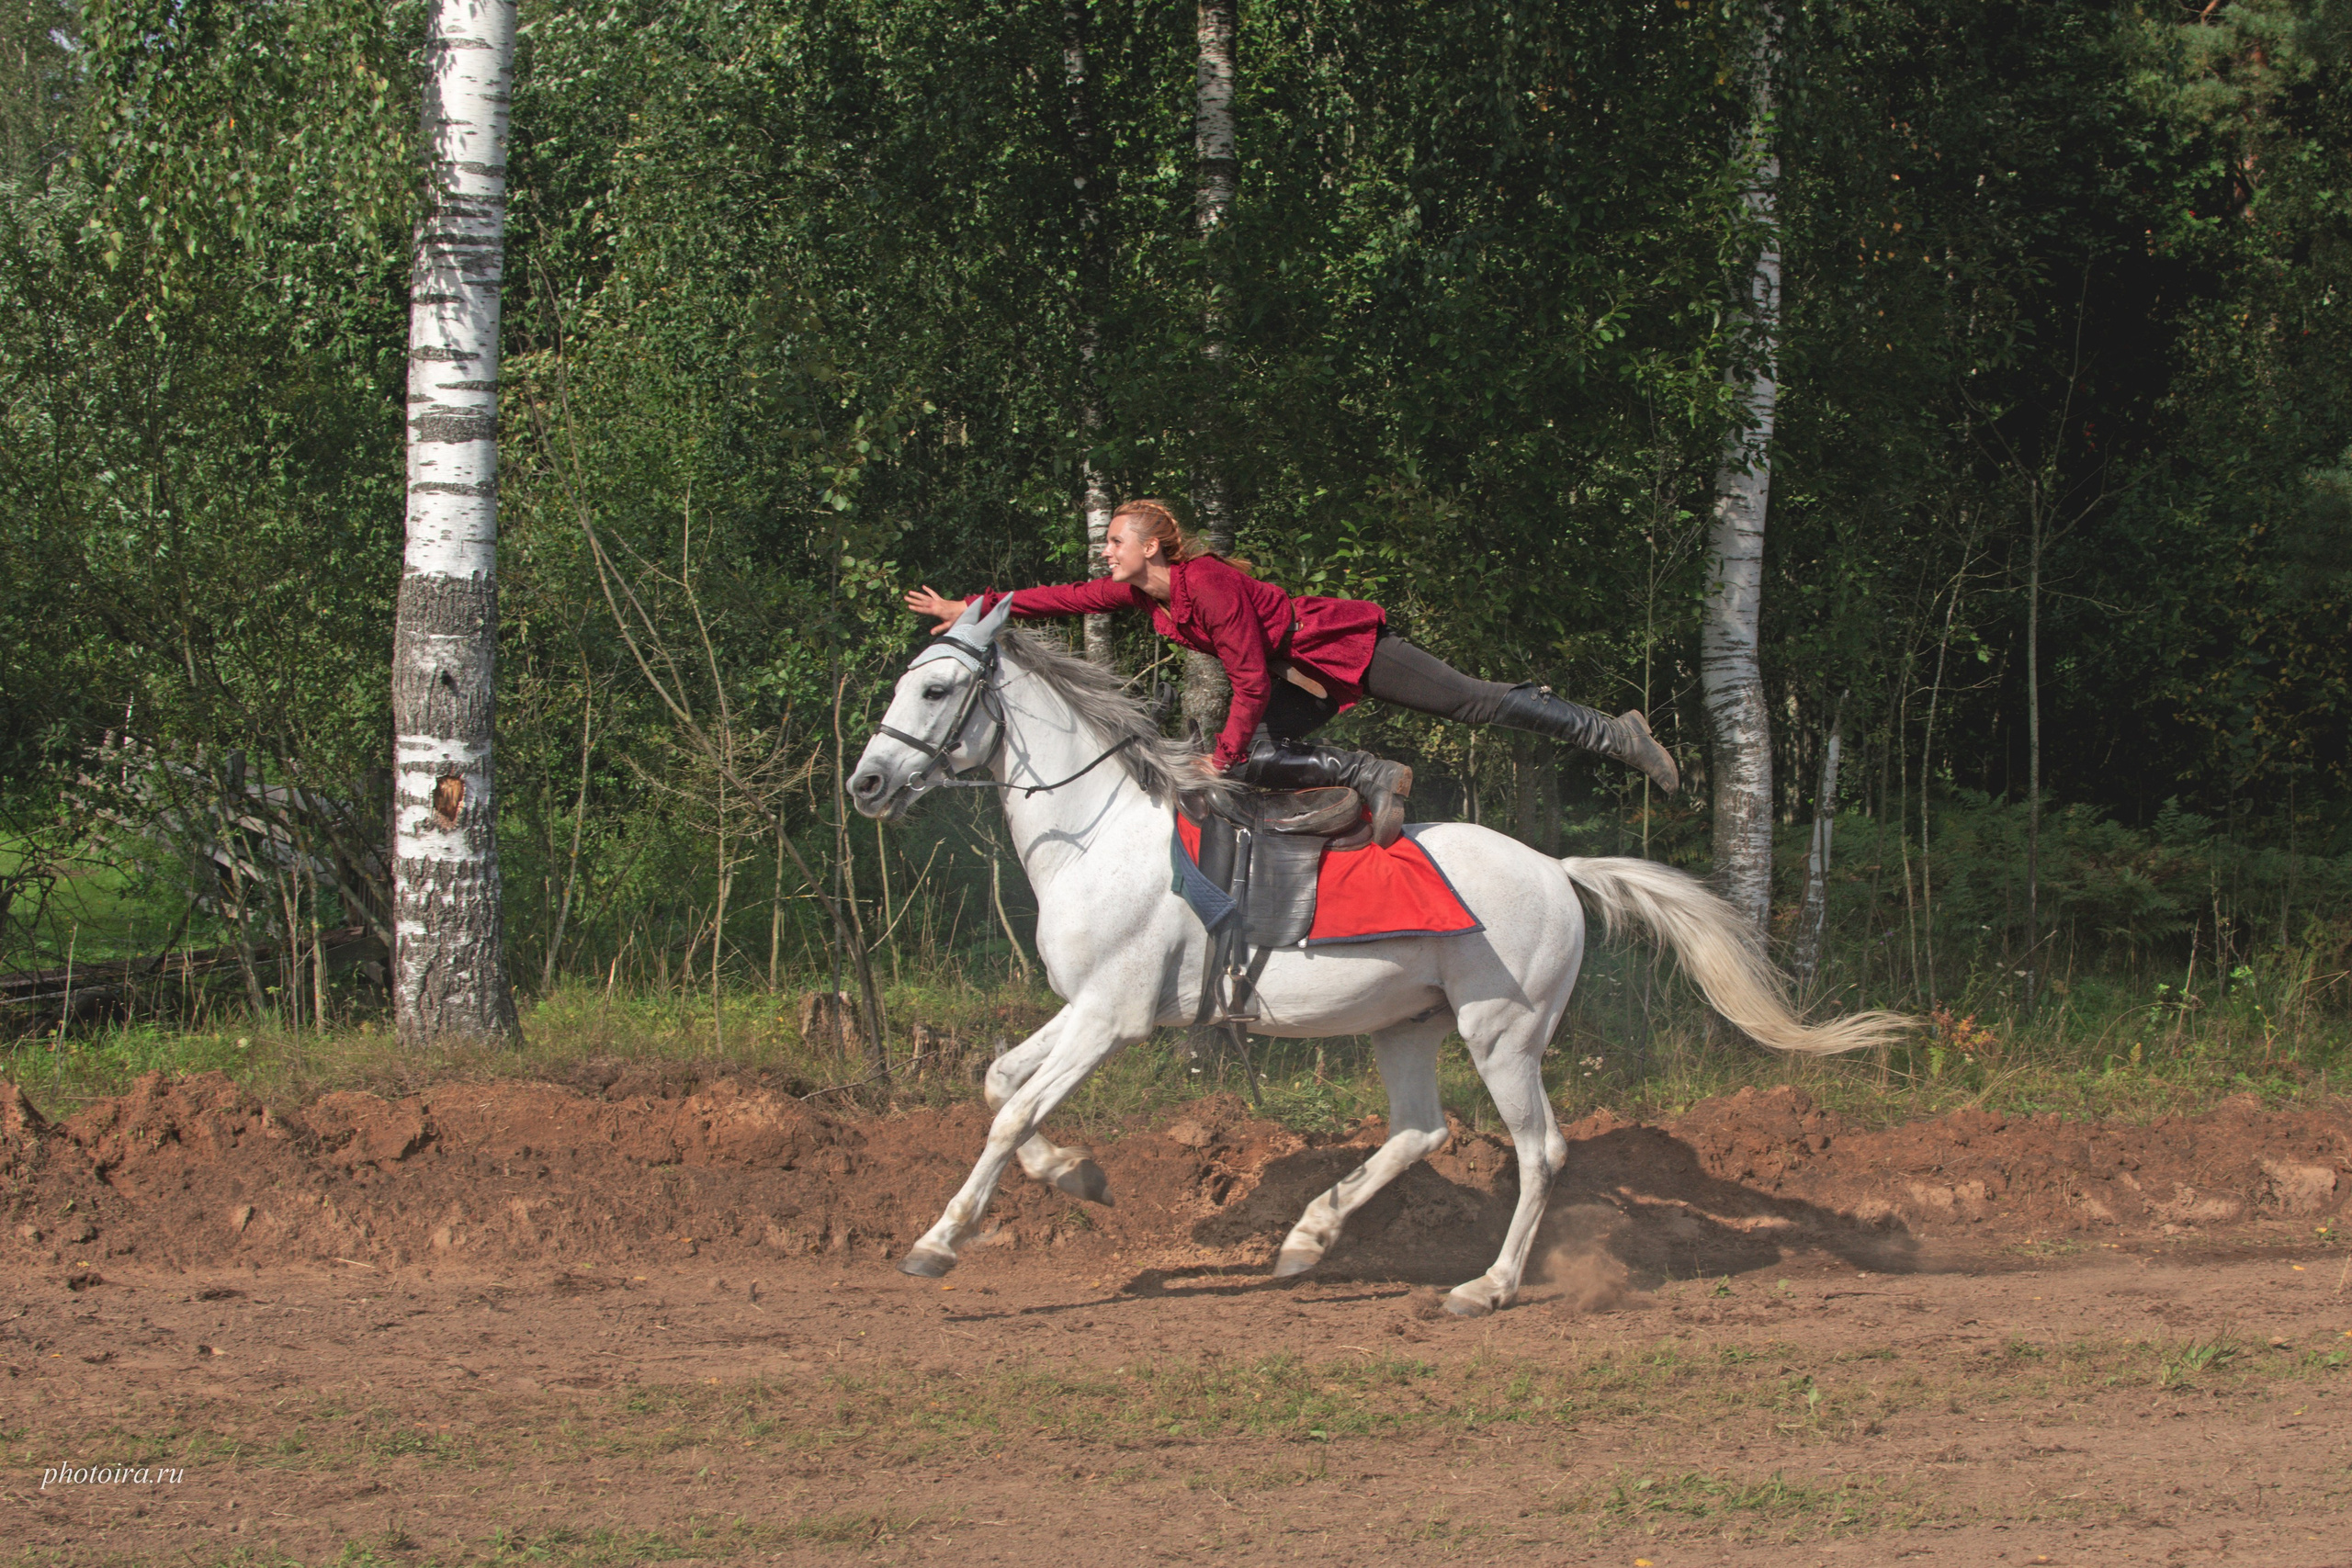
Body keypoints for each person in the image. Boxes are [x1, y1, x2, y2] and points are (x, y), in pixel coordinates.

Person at [903, 498, 1678, 847]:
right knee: (1254, 759)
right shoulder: (1141, 589)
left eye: (1116, 539)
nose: (1105, 550)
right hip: (1295, 672)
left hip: (1343, 647)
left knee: (1472, 704)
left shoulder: (1206, 582)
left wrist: (1226, 751)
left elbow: (1245, 678)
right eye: (1108, 542)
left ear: (1153, 547)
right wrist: (971, 607)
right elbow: (1058, 599)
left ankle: (1616, 735)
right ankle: (1370, 779)